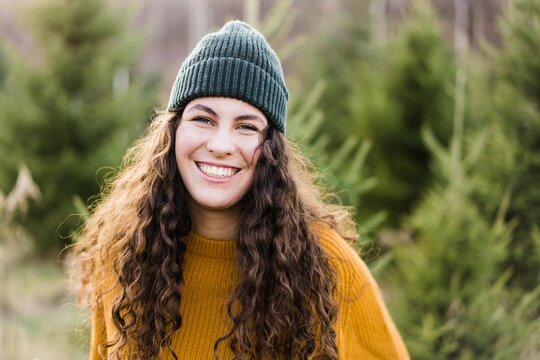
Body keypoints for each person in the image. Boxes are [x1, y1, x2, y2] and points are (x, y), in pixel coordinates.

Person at [75, 20, 409, 360]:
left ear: (271, 149)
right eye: (203, 119)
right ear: (173, 132)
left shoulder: (327, 267)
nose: (221, 145)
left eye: (246, 126)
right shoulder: (126, 254)